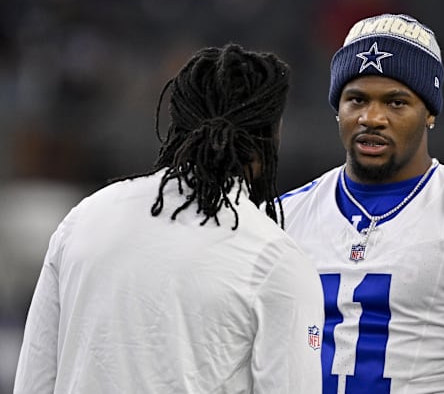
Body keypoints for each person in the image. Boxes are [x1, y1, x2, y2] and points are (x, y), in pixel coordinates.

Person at [14, 43, 325, 393]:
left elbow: (33, 381)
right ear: (271, 137)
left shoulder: (85, 219)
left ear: (177, 121)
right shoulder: (276, 260)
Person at [279, 13, 444, 394]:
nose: (372, 118)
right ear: (338, 107)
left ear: (430, 112)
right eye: (357, 99)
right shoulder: (285, 215)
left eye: (396, 102)